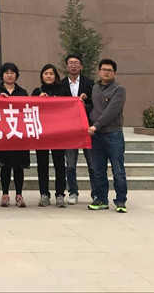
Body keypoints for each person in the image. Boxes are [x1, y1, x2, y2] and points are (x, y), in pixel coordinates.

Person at [87, 59, 129, 213]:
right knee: (98, 169)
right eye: (103, 69)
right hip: (97, 136)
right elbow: (93, 108)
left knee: (118, 170)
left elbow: (111, 111)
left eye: (109, 70)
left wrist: (95, 125)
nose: (106, 72)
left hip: (113, 134)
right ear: (99, 72)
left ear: (114, 73)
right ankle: (101, 199)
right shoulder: (95, 88)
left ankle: (120, 201)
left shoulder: (119, 90)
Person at [0, 62, 30, 208]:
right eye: (6, 72)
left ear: (16, 75)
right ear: (2, 75)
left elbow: (27, 110)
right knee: (5, 166)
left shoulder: (22, 92)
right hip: (3, 134)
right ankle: (5, 195)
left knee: (18, 167)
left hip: (18, 134)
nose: (9, 75)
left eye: (12, 73)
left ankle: (19, 195)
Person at [61, 53, 97, 205]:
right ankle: (73, 192)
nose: (73, 65)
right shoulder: (61, 85)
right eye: (71, 63)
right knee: (70, 165)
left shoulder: (89, 84)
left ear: (81, 66)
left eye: (76, 63)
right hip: (70, 130)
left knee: (93, 164)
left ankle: (96, 193)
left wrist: (83, 105)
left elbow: (95, 105)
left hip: (87, 128)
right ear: (67, 66)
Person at [32, 64, 68, 208]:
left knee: (60, 165)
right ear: (42, 76)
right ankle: (44, 194)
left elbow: (69, 108)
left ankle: (60, 194)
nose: (48, 76)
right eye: (46, 73)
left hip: (58, 133)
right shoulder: (37, 91)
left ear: (56, 76)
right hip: (42, 133)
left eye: (51, 74)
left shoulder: (63, 90)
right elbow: (28, 109)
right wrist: (38, 99)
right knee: (42, 165)